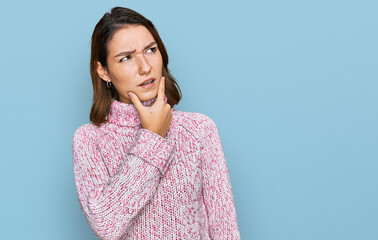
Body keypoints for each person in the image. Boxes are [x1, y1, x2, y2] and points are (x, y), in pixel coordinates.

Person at [72, 6, 240, 240]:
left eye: (150, 50)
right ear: (103, 71)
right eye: (126, 58)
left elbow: (226, 231)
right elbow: (106, 225)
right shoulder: (89, 140)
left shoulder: (199, 130)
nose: (145, 67)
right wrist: (152, 138)